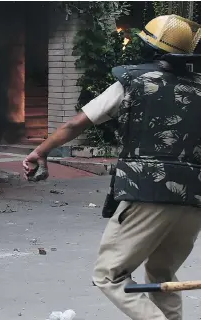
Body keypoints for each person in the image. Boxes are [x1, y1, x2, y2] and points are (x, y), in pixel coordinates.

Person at [23, 15, 201, 320]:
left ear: (149, 49)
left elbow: (76, 122)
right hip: (194, 198)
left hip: (149, 191)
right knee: (163, 274)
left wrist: (40, 152)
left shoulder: (134, 82)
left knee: (109, 275)